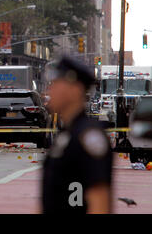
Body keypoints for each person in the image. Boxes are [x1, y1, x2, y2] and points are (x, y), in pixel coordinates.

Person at [42, 56, 112, 214]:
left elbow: (99, 202)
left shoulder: (89, 137)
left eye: (55, 84)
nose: (49, 91)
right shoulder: (65, 135)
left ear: (75, 90)